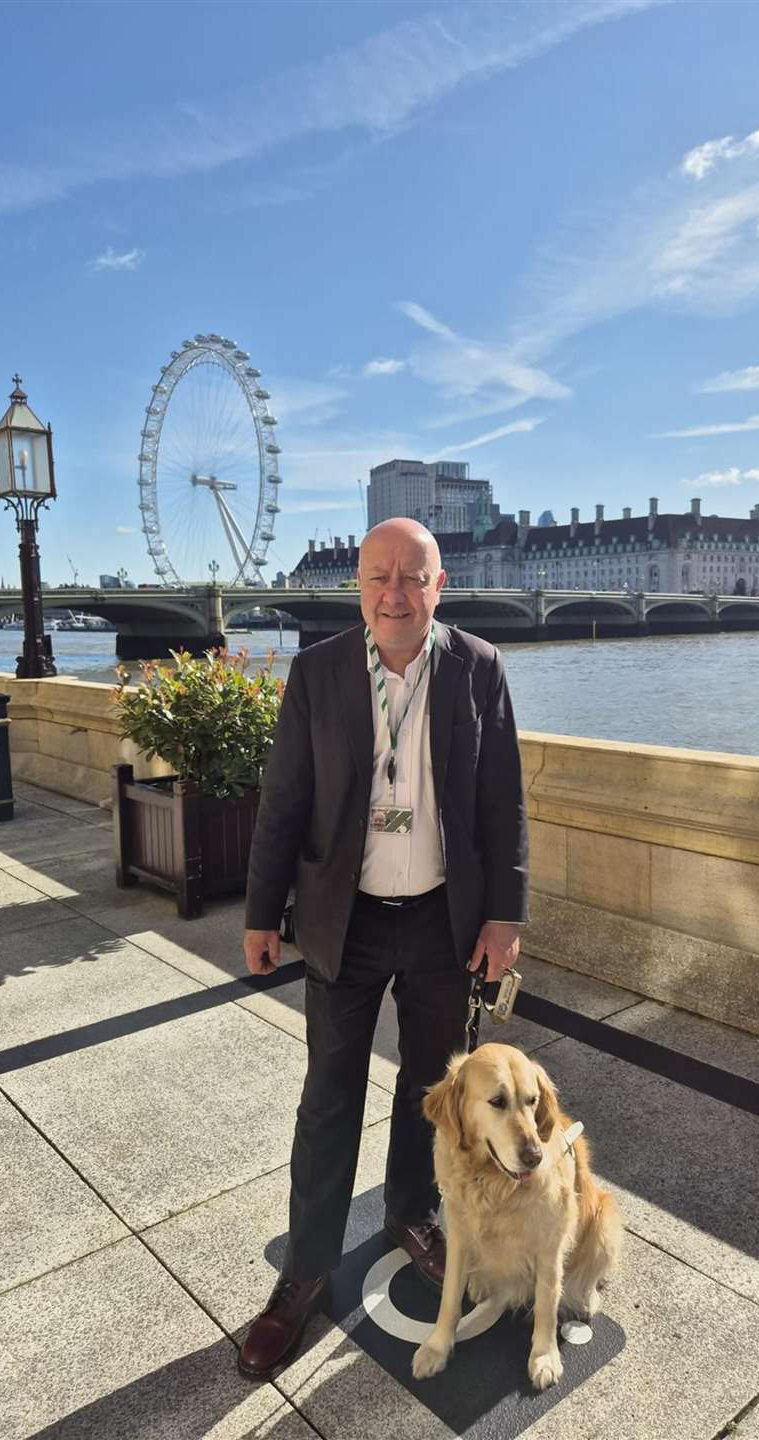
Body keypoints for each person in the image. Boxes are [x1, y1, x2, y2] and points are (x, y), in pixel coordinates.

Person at [237, 517, 528, 1379]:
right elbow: (283, 801)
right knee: (327, 1095)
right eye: (377, 578)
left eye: (412, 578)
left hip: (445, 918)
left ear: (441, 585)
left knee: (432, 1092)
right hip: (346, 918)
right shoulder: (319, 671)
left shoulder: (478, 667)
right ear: (356, 587)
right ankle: (306, 1271)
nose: (394, 595)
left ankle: (411, 1212)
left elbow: (504, 803)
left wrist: (504, 916)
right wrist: (261, 913)